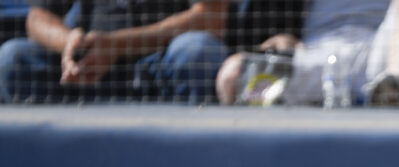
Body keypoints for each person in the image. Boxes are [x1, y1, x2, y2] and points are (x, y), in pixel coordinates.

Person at [0, 0, 232, 103]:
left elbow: (210, 18)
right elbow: (37, 18)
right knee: (14, 58)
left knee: (197, 51)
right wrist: (70, 43)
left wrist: (117, 45)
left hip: (161, 70)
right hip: (87, 71)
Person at [215, 0, 399, 106]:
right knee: (234, 75)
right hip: (317, 57)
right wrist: (283, 34)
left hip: (383, 54)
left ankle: (394, 89)